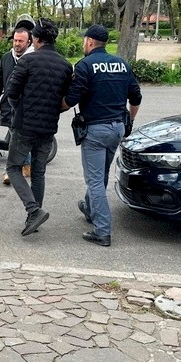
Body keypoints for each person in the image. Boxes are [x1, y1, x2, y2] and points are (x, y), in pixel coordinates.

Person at [61, 25, 142, 247]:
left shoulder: (85, 65)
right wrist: (130, 121)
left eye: (83, 40)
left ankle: (102, 231)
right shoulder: (122, 64)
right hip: (117, 128)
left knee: (95, 181)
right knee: (102, 174)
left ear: (89, 42)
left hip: (95, 131)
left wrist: (53, 107)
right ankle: (89, 208)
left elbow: (71, 99)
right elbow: (136, 97)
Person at [4, 19, 73, 236]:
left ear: (36, 39)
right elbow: (66, 98)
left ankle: (33, 210)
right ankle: (34, 219)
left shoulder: (27, 61)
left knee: (13, 168)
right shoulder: (65, 65)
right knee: (39, 172)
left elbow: (11, 93)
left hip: (24, 125)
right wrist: (53, 112)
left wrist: (19, 109)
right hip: (47, 127)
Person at [0, 14, 36, 185]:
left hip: (27, 109)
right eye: (15, 41)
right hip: (9, 108)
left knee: (17, 139)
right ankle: (25, 165)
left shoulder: (33, 59)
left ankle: (12, 169)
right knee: (15, 137)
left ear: (29, 42)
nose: (17, 44)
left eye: (20, 41)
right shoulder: (6, 58)